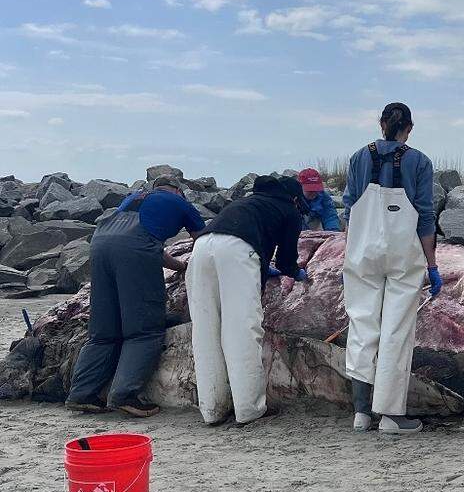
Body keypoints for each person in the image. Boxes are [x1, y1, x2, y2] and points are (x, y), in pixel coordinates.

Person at [65, 176, 206, 417]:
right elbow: (205, 242)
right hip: (133, 251)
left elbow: (145, 245)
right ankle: (124, 396)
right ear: (178, 191)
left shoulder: (132, 199)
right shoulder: (180, 203)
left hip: (100, 246)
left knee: (104, 329)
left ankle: (82, 393)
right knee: (144, 328)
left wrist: (180, 267)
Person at [341, 102, 441, 434]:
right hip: (402, 252)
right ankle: (391, 416)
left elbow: (349, 208)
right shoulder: (419, 161)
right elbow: (425, 216)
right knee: (396, 328)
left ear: (380, 124)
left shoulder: (358, 157)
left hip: (363, 250)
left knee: (362, 322)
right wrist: (432, 264)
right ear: (408, 128)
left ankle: (360, 413)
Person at [186, 175, 307, 426]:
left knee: (205, 329)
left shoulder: (249, 202)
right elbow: (287, 259)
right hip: (237, 251)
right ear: (294, 198)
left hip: (201, 248)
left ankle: (212, 409)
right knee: (241, 328)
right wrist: (296, 273)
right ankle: (249, 409)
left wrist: (262, 265)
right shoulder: (289, 210)